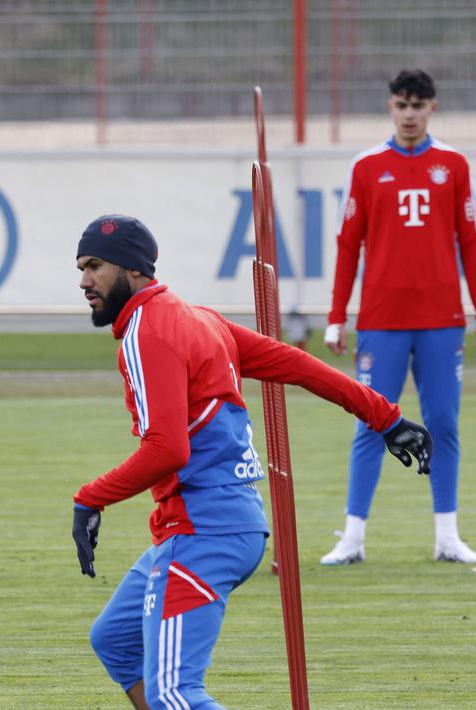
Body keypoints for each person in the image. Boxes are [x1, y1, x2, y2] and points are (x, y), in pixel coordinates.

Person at [69, 215, 433, 710]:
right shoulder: (200, 319)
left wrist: (90, 499)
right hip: (232, 525)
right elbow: (297, 365)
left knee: (175, 693)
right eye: (82, 268)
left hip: (202, 531)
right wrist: (385, 417)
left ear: (134, 269)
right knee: (115, 639)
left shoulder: (147, 331)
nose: (85, 280)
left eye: (95, 266)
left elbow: (167, 450)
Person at [320, 69, 476, 566]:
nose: (410, 115)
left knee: (443, 423)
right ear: (390, 107)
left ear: (432, 108)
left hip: (441, 320)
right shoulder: (367, 166)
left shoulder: (454, 165)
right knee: (371, 424)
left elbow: (473, 241)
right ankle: (352, 539)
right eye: (402, 105)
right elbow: (348, 245)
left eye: (419, 105)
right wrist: (337, 316)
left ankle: (447, 537)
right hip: (381, 321)